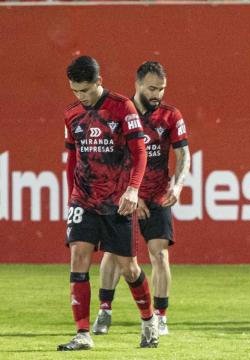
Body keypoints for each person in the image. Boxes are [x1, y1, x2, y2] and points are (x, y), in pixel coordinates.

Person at [59, 56, 157, 350]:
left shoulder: (121, 107)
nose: (81, 97)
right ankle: (82, 333)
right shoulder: (72, 114)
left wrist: (133, 190)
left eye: (85, 91)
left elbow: (140, 152)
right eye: (76, 91)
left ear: (99, 82)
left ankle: (148, 319)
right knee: (78, 257)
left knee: (129, 268)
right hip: (84, 199)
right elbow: (72, 157)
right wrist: (70, 196)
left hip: (117, 201)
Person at [92, 62, 191, 337]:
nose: (157, 93)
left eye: (161, 88)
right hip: (123, 195)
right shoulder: (121, 113)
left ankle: (160, 316)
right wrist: (131, 193)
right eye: (152, 88)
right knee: (113, 253)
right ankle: (104, 311)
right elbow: (110, 160)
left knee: (160, 254)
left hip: (158, 195)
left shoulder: (171, 116)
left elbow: (183, 154)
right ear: (137, 85)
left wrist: (178, 186)